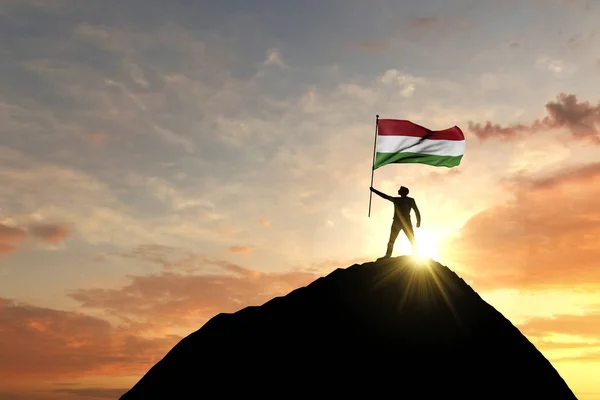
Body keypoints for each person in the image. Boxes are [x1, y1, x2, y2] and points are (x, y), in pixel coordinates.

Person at [370, 185, 421, 258]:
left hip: (403, 223)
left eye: (400, 190)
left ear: (403, 192)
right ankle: (388, 255)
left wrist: (418, 221)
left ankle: (415, 254)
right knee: (393, 239)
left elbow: (416, 211)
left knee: (409, 239)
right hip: (398, 223)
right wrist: (374, 190)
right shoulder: (399, 200)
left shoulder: (408, 200)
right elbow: (385, 196)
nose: (398, 191)